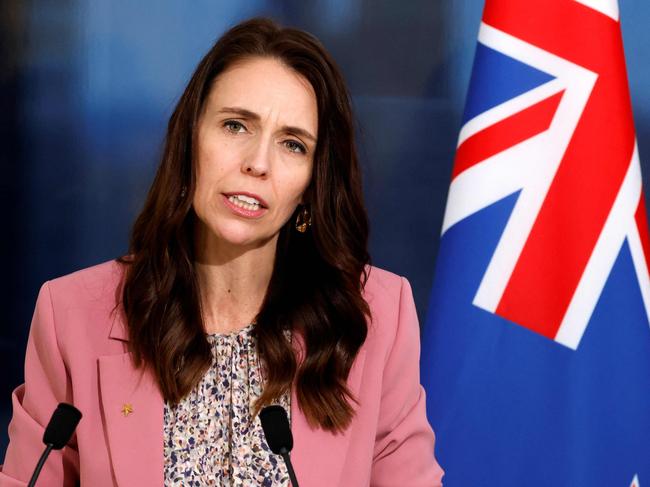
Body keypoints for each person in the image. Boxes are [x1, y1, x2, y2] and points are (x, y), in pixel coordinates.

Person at [0, 17, 444, 486]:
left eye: (293, 144)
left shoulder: (374, 316)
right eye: (235, 125)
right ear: (190, 140)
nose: (258, 162)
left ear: (313, 185)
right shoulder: (73, 315)